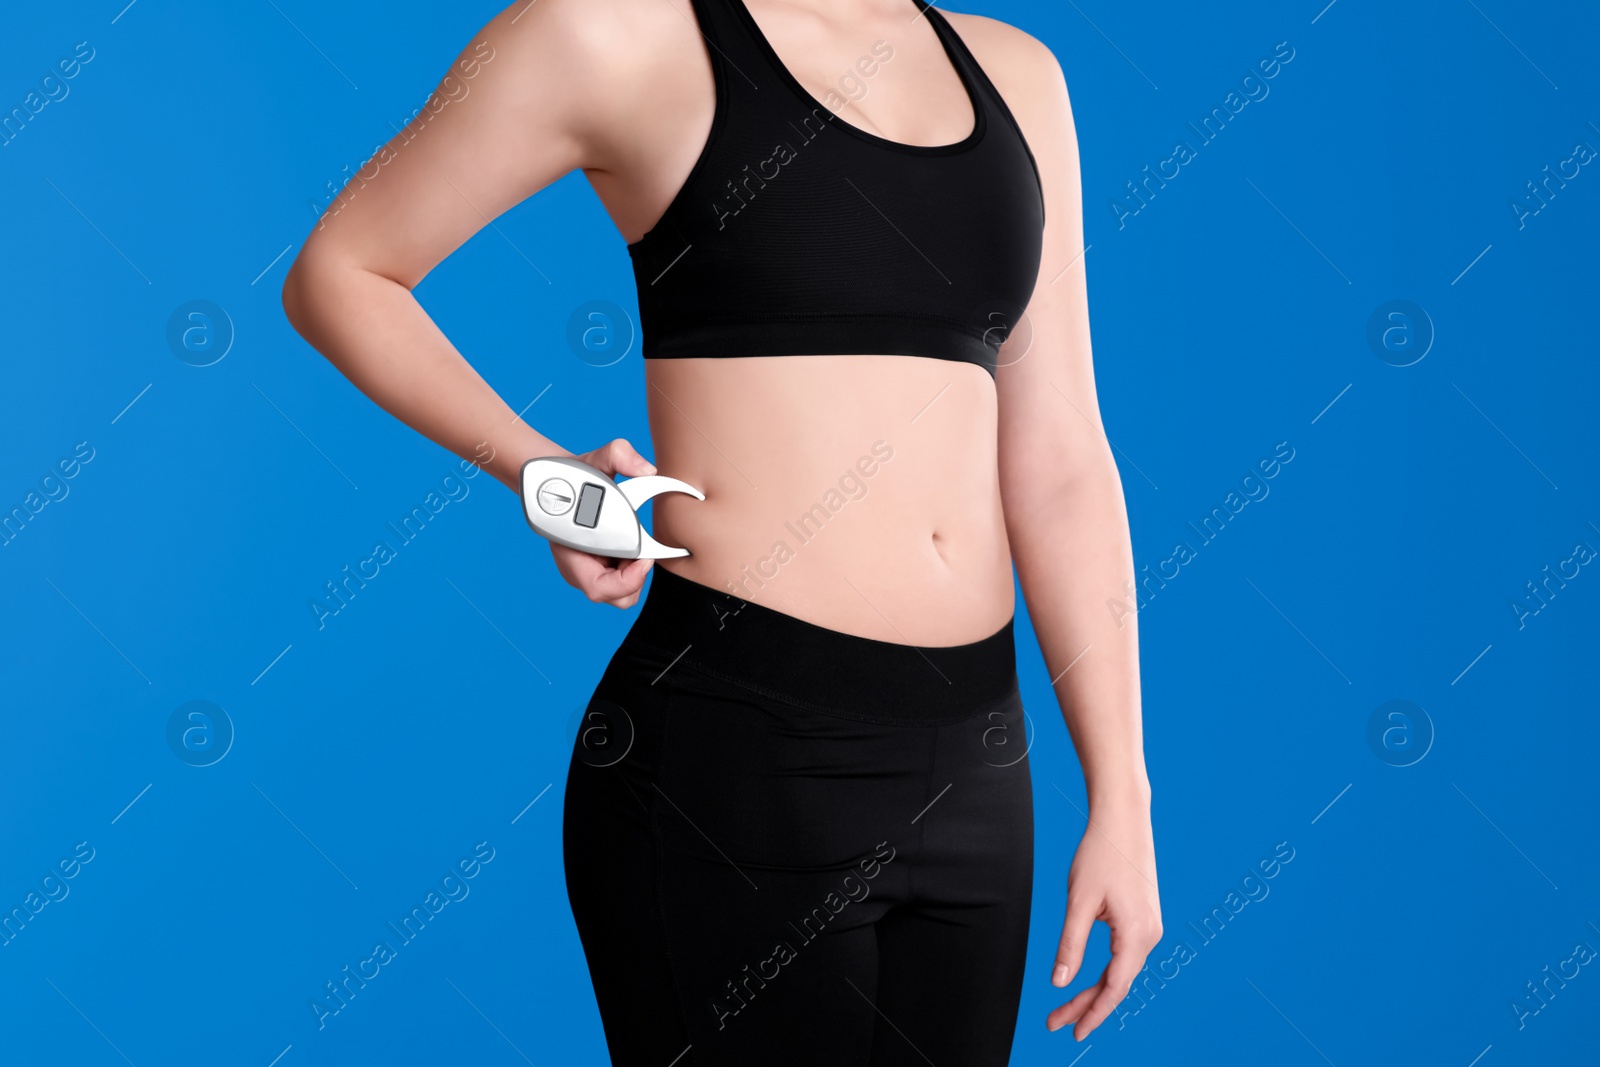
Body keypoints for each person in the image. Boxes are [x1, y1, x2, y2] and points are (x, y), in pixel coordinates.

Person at [281, 0, 1161, 1062]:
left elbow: (1063, 454)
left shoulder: (1017, 74)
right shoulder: (613, 34)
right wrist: (542, 471)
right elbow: (342, 269)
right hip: (739, 758)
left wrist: (1121, 789)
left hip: (977, 767)